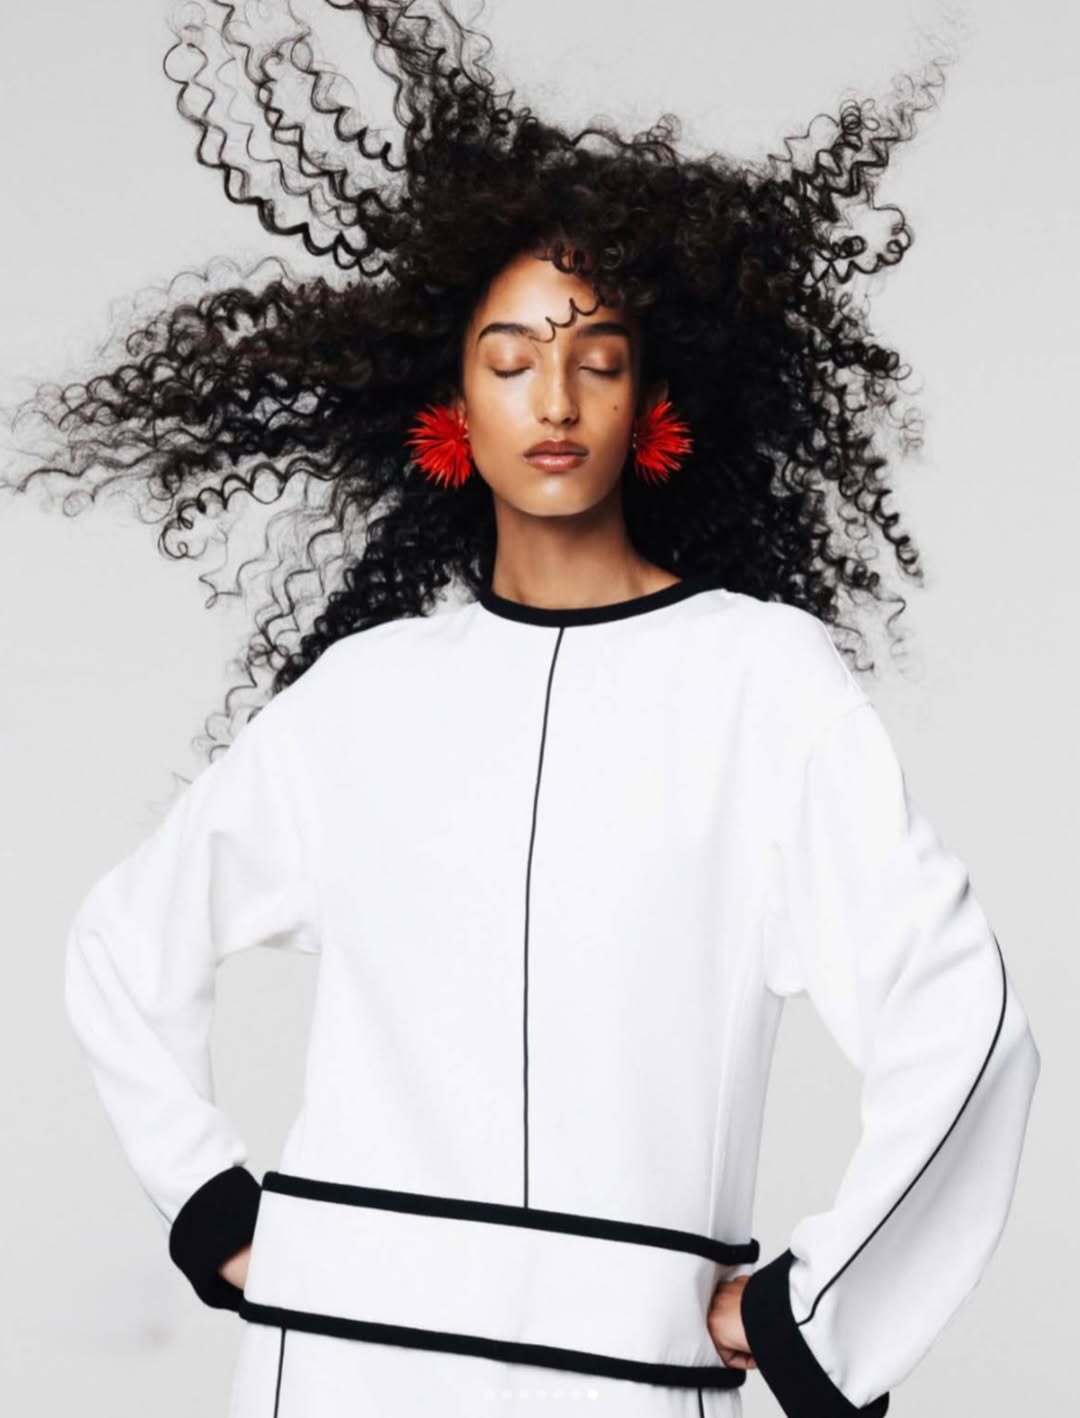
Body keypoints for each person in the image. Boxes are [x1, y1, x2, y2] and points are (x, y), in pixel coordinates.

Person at [7, 4, 1039, 1415]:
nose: (554, 398)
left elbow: (967, 1026)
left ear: (655, 400)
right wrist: (205, 1199)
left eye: (598, 359)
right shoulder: (363, 698)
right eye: (509, 361)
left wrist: (818, 1304)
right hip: (331, 1368)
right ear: (448, 403)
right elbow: (123, 944)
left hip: (616, 1380)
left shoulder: (761, 685)